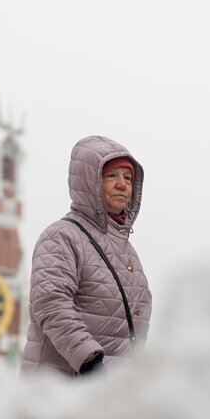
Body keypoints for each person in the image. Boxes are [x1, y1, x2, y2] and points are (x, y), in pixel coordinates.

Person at [21, 135, 151, 376]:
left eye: (128, 177)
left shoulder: (126, 250)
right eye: (111, 176)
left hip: (109, 395)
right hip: (63, 391)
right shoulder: (62, 236)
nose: (123, 184)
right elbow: (51, 303)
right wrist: (90, 362)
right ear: (89, 181)